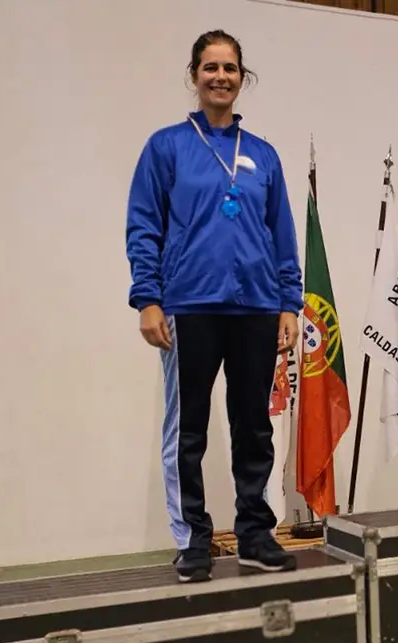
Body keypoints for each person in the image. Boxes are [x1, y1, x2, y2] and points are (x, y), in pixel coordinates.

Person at [125, 30, 303, 582]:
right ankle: (194, 540)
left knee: (254, 426)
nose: (220, 77)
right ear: (194, 75)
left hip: (255, 307)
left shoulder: (264, 155)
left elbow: (281, 234)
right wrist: (148, 298)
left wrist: (288, 302)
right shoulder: (167, 147)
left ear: (242, 77)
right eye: (210, 67)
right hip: (188, 306)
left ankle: (254, 533)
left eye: (230, 68)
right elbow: (144, 226)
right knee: (190, 429)